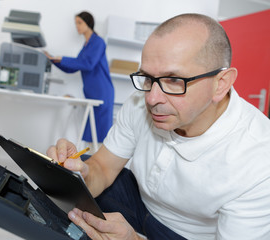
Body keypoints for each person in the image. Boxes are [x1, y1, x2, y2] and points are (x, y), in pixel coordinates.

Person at [46, 13, 270, 240]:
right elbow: (102, 168)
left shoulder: (259, 160)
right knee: (75, 176)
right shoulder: (138, 103)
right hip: (142, 205)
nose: (152, 99)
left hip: (185, 235)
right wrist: (82, 174)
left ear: (221, 84)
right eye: (147, 78)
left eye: (173, 80)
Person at [44, 11, 114, 144]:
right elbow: (73, 67)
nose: (77, 26)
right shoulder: (86, 45)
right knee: (92, 134)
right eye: (76, 23)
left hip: (102, 92)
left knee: (100, 136)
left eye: (79, 23)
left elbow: (88, 64)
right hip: (92, 93)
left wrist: (62, 58)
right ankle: (90, 161)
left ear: (88, 23)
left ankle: (99, 162)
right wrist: (54, 60)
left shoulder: (98, 42)